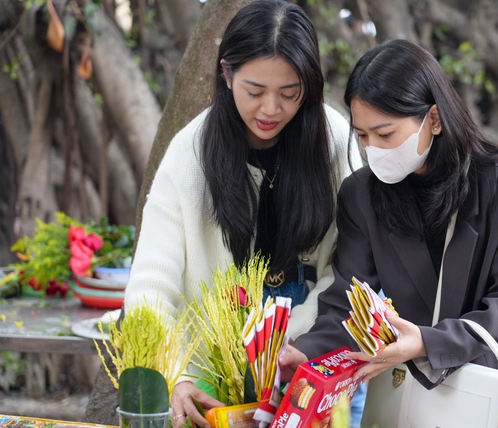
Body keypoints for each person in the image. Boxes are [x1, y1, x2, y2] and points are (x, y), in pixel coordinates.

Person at [278, 39, 498, 427]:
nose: (373, 150)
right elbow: (347, 301)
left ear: (434, 118)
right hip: (421, 393)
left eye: (385, 134)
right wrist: (307, 352)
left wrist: (430, 343)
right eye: (362, 136)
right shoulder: (362, 194)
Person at [123, 1, 363, 427]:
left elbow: (354, 265)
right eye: (255, 92)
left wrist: (300, 342)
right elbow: (151, 286)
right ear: (226, 73)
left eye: (289, 94)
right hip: (213, 386)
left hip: (312, 369)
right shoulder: (189, 155)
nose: (270, 109)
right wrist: (173, 375)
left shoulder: (334, 143)